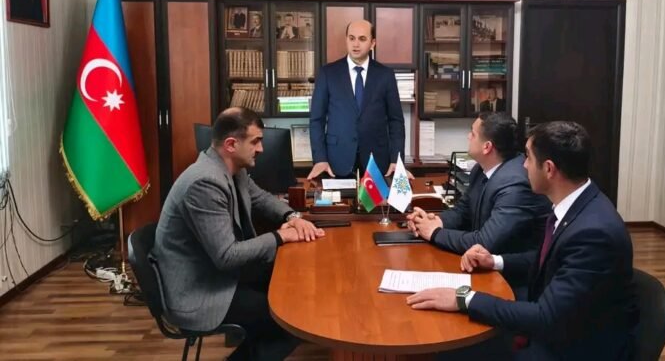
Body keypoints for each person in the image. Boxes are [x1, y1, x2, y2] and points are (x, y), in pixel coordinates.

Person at [406, 121, 637, 360]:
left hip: (575, 349)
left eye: (528, 157)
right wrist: (494, 261)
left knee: (452, 351)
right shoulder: (575, 205)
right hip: (556, 329)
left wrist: (464, 298)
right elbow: (546, 261)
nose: (523, 165)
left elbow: (546, 317)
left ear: (549, 169)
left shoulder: (593, 233)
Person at [152, 107, 325, 361]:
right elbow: (226, 255)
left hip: (219, 274)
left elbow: (261, 198)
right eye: (255, 141)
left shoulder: (233, 169)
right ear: (231, 144)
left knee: (294, 286)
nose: (261, 149)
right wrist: (279, 237)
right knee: (292, 318)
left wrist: (292, 217)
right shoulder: (204, 182)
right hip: (200, 291)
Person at [407, 112, 550, 260]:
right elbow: (462, 211)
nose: (468, 137)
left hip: (508, 270)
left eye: (473, 134)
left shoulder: (515, 185)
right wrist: (434, 221)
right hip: (480, 263)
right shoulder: (480, 169)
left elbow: (485, 243)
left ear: (487, 147)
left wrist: (434, 232)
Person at [308, 19, 404, 178]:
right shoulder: (328, 73)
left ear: (373, 43)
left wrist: (396, 159)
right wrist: (320, 158)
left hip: (377, 160)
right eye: (351, 38)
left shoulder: (385, 75)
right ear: (346, 40)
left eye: (362, 39)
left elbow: (396, 121)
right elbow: (317, 120)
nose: (356, 44)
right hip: (336, 160)